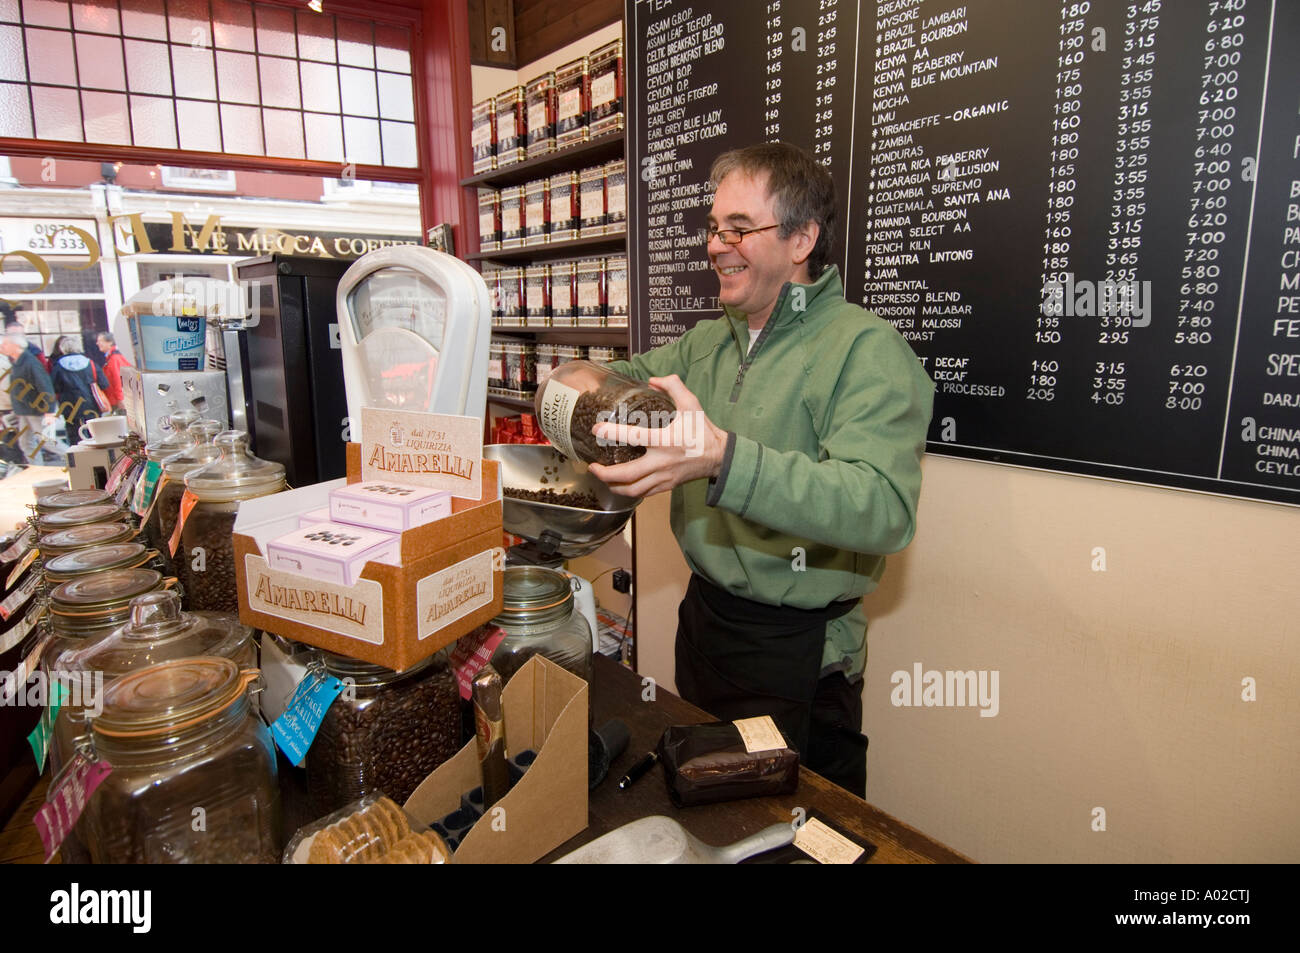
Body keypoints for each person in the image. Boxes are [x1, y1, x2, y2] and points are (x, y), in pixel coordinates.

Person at [589, 142, 935, 795]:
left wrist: (726, 458)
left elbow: (883, 504)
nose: (718, 245)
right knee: (706, 812)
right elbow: (625, 377)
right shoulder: (711, 338)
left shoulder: (866, 348)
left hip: (795, 655)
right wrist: (570, 390)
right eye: (715, 228)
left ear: (803, 238)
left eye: (740, 228)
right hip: (705, 626)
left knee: (789, 834)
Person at [0, 332, 60, 465]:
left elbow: (45, 385)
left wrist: (50, 411)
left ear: (15, 346)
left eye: (5, 344)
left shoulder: (30, 362)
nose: (2, 347)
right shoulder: (17, 362)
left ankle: (75, 458)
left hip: (35, 409)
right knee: (26, 443)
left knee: (48, 442)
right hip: (25, 411)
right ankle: (37, 470)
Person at [50, 334, 109, 437]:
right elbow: (104, 384)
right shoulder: (90, 363)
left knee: (75, 436)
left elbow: (55, 387)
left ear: (62, 349)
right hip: (91, 404)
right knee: (95, 434)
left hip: (70, 406)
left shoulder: (58, 366)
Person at [96, 331, 131, 415]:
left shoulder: (114, 359)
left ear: (110, 342)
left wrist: (120, 399)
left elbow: (118, 380)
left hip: (118, 401)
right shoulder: (113, 357)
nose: (97, 343)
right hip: (117, 399)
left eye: (100, 341)